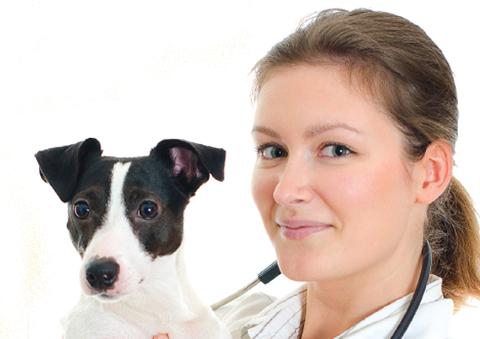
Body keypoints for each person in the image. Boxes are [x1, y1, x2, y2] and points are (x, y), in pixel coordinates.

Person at [156, 8, 480, 338]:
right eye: (273, 150)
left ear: (430, 173)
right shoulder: (224, 324)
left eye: (337, 150)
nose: (285, 190)